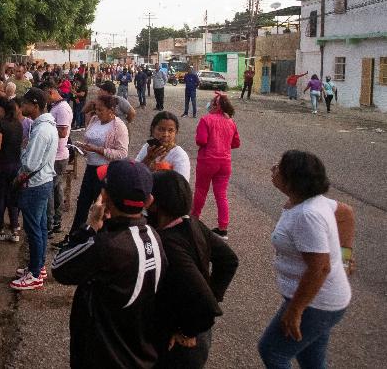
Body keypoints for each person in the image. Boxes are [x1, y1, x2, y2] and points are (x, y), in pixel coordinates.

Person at [51, 160, 166, 368]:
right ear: (148, 201)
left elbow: (59, 267)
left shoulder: (106, 246)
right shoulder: (153, 236)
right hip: (138, 352)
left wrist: (91, 226)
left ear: (104, 196)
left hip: (104, 355)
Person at [258, 151, 354, 369]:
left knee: (272, 351)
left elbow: (320, 268)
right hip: (318, 299)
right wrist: (345, 259)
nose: (273, 170)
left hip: (316, 303)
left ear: (293, 180)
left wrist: (296, 309)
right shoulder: (310, 203)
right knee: (311, 360)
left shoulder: (307, 214)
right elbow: (346, 212)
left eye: (278, 168)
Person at [148, 170, 239, 368]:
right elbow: (228, 260)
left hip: (183, 341)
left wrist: (189, 330)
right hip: (197, 329)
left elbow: (207, 306)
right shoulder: (192, 223)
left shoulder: (169, 244)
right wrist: (214, 293)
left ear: (155, 204)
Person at [57, 94, 129, 249]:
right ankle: (74, 238)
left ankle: (99, 242)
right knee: (82, 203)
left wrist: (98, 150)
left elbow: (122, 153)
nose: (97, 112)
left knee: (101, 208)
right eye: (96, 109)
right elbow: (89, 134)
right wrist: (84, 147)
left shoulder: (118, 126)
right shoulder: (95, 120)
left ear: (111, 110)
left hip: (105, 171)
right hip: (90, 168)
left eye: (101, 110)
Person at [10, 88, 59, 290]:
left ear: (35, 105)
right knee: (38, 228)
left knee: (34, 230)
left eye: (25, 104)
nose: (22, 108)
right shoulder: (45, 126)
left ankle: (35, 274)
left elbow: (29, 163)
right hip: (42, 182)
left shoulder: (41, 130)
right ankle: (38, 266)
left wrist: (22, 150)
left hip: (35, 184)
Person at [191, 92, 240, 240]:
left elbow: (201, 140)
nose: (209, 105)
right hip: (224, 163)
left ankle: (194, 221)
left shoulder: (206, 120)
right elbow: (236, 143)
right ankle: (223, 228)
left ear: (215, 105)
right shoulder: (231, 122)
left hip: (207, 161)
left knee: (201, 191)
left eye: (211, 102)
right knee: (221, 195)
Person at [42, 81, 72, 235]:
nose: (44, 99)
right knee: (55, 188)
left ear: (51, 91)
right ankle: (55, 222)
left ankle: (52, 223)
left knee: (51, 190)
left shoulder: (63, 109)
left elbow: (63, 133)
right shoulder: (56, 106)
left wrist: (44, 126)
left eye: (45, 95)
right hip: (54, 154)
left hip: (58, 155)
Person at [0, 97, 24, 243]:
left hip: (4, 165)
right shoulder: (18, 124)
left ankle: (0, 228)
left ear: (2, 109)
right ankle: (15, 228)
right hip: (16, 164)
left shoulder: (0, 125)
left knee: (1, 197)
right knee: (13, 197)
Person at [135, 111, 191, 180]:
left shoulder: (180, 156)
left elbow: (181, 187)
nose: (165, 134)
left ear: (176, 132)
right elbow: (134, 174)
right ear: (153, 130)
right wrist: (148, 159)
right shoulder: (148, 147)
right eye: (161, 129)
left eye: (170, 130)